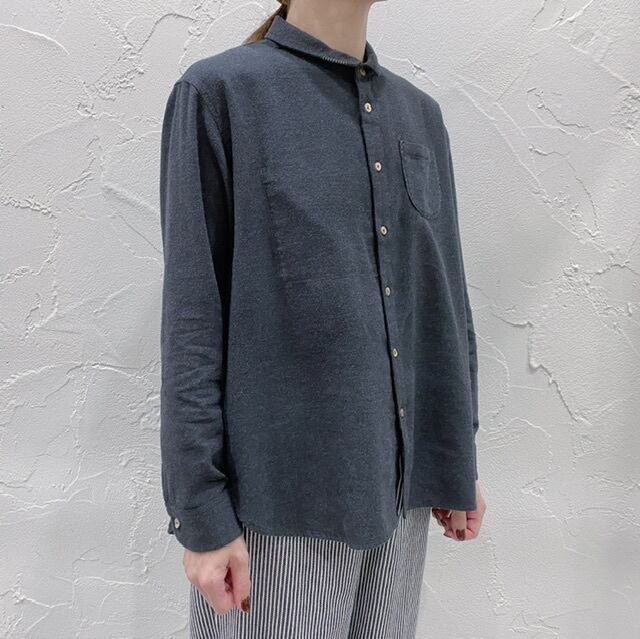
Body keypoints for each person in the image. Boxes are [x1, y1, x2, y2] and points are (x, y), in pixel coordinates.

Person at [158, 0, 487, 636]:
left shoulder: (421, 116)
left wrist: (455, 456)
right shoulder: (221, 94)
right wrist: (200, 512)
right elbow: (192, 323)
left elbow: (445, 299)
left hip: (401, 498)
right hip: (279, 506)